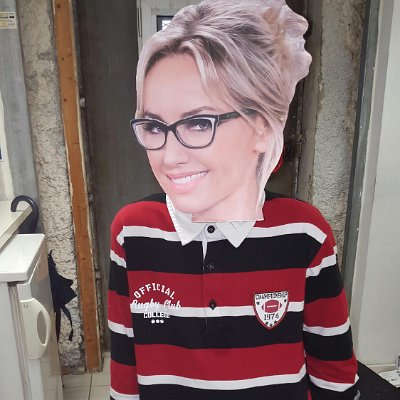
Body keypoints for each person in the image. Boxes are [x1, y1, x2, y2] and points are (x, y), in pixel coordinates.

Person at [108, 1, 359, 399]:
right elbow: (125, 359)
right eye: (154, 126)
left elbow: (332, 362)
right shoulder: (134, 232)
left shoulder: (303, 233)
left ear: (262, 127)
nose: (169, 157)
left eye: (198, 123)